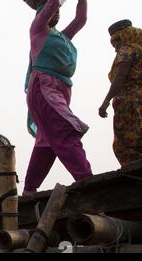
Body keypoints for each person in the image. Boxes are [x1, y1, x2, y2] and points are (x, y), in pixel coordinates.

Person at [23, 0, 92, 197]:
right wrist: (55, 4)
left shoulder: (62, 36)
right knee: (65, 131)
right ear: (42, 12)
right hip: (44, 88)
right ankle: (88, 181)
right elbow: (52, 4)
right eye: (52, 10)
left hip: (59, 90)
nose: (57, 12)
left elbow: (81, 19)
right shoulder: (38, 28)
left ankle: (29, 191)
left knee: (47, 143)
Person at [99, 20, 142, 166]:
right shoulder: (140, 51)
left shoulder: (127, 50)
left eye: (115, 43)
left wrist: (106, 101)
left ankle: (133, 173)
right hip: (139, 98)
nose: (115, 48)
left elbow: (121, 77)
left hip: (128, 101)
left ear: (123, 37)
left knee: (126, 141)